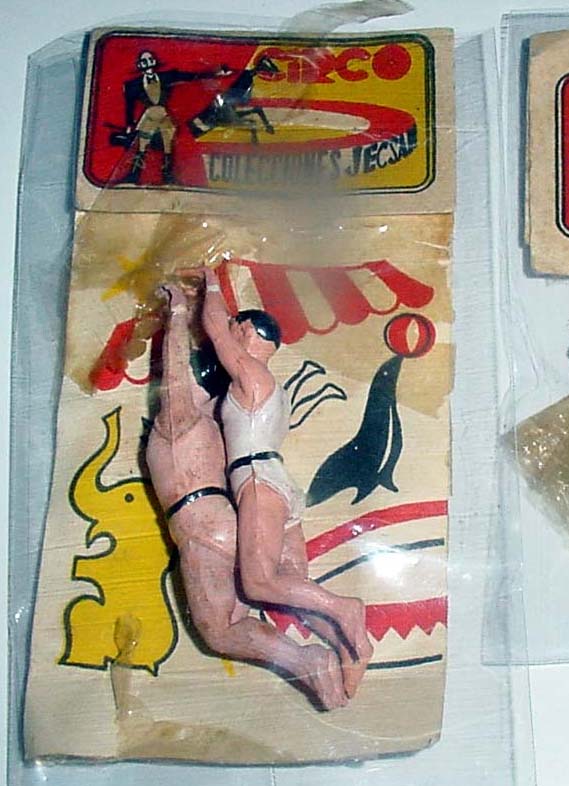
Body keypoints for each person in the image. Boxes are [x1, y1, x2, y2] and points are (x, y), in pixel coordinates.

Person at [145, 281, 349, 710]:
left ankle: (306, 659)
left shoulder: (179, 426)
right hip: (238, 509)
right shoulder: (220, 424)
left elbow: (175, 376)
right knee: (285, 586)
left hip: (202, 523)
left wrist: (178, 315)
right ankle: (344, 643)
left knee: (221, 629)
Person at [200, 268, 372, 698]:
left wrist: (211, 283)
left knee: (258, 582)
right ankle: (349, 651)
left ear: (245, 332)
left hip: (258, 481)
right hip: (280, 485)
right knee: (291, 585)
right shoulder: (275, 391)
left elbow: (214, 328)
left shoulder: (251, 375)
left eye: (236, 329)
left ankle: (343, 609)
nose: (230, 334)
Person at [120, 50, 229, 184]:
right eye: (144, 61)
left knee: (168, 147)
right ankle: (134, 174)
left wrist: (212, 73)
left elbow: (189, 76)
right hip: (149, 116)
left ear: (154, 61)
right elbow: (129, 105)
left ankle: (168, 175)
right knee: (142, 146)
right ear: (139, 64)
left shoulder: (166, 76)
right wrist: (129, 124)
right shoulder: (133, 84)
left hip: (164, 115)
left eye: (150, 60)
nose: (148, 64)